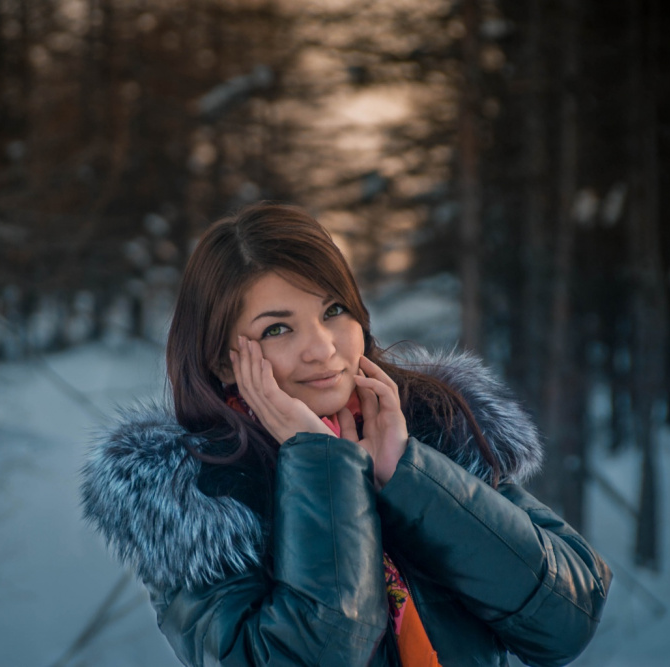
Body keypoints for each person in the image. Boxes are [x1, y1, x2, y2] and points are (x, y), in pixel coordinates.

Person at [81, 202, 611, 666]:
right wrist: (322, 466)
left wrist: (409, 476)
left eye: (334, 310)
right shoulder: (202, 502)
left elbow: (567, 620)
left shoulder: (432, 429)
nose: (322, 348)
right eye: (277, 328)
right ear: (223, 361)